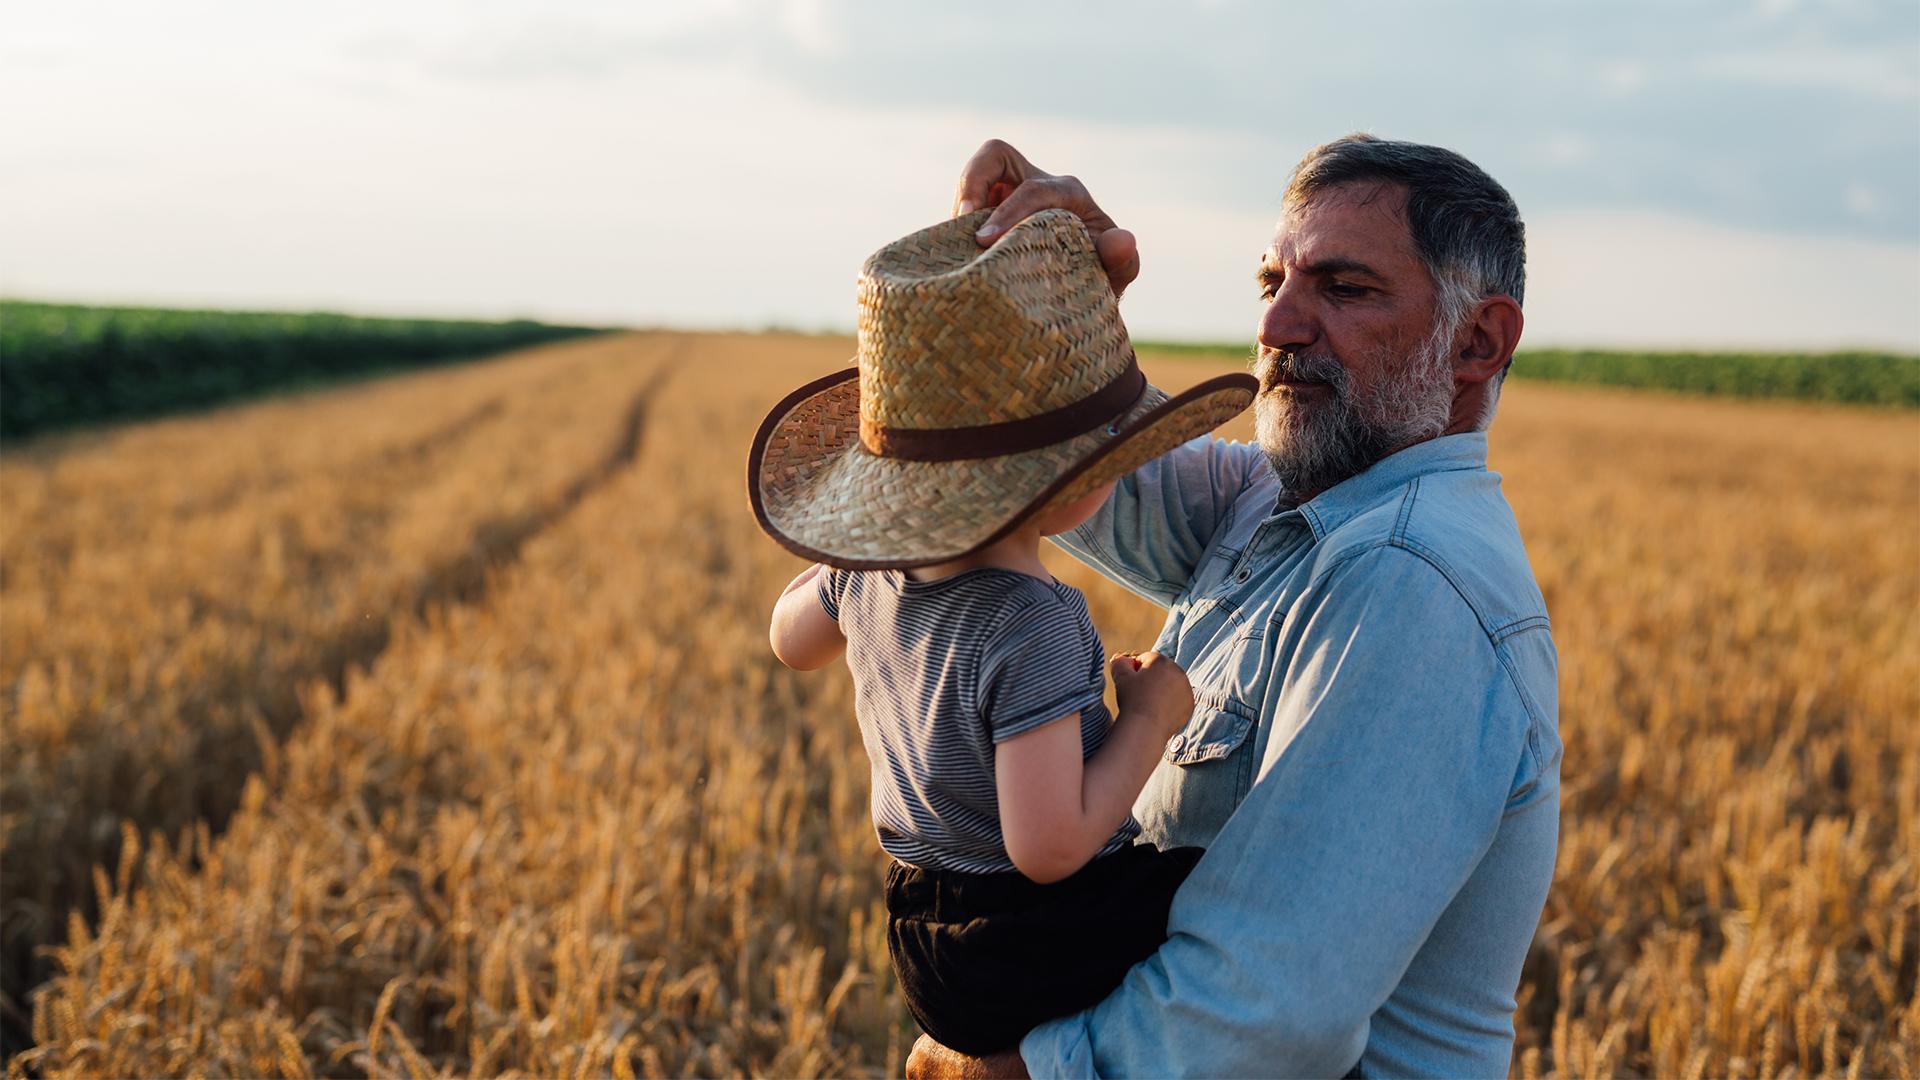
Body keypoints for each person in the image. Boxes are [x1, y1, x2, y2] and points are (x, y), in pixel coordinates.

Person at [906, 135, 1561, 1079]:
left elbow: (1259, 1013)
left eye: (1344, 288)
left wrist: (1006, 1068)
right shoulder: (1285, 500)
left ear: (1478, 343)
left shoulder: (1412, 582)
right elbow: (1050, 472)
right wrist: (1048, 286)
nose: (1280, 325)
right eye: (1273, 282)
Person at [747, 209, 1258, 1055]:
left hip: (920, 934)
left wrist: (847, 567)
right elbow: (1050, 845)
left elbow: (787, 641)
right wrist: (1149, 719)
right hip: (1030, 939)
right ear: (1079, 479)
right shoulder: (1035, 621)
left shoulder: (863, 575)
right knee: (1237, 912)